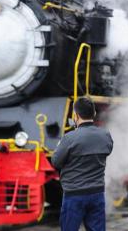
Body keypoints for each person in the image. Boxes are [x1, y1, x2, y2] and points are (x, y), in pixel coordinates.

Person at [51, 97, 113, 231]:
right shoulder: (105, 135)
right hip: (97, 193)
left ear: (76, 116)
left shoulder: (69, 138)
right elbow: (108, 151)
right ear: (94, 114)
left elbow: (56, 162)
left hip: (74, 195)